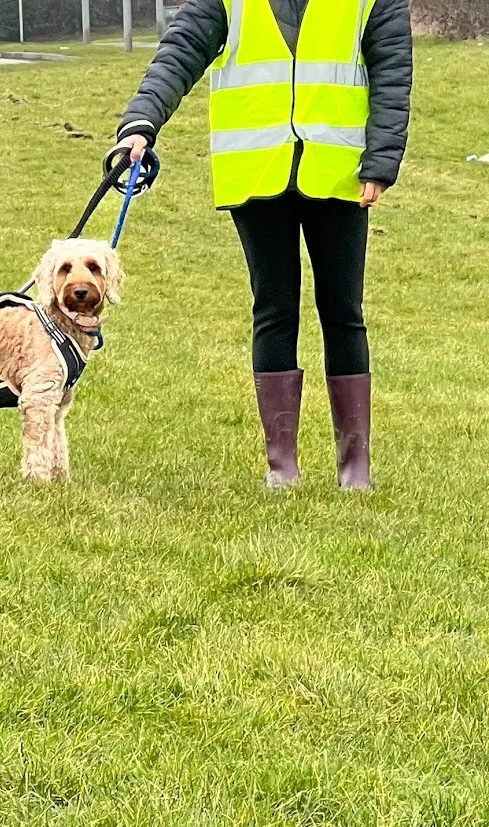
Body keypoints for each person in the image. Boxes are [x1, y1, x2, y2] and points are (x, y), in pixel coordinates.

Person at [116, 0, 412, 490]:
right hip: (255, 169)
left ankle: (355, 468)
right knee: (273, 309)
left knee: (343, 312)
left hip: (340, 170)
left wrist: (381, 159)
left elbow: (392, 70)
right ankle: (283, 468)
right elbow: (181, 50)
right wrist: (141, 123)